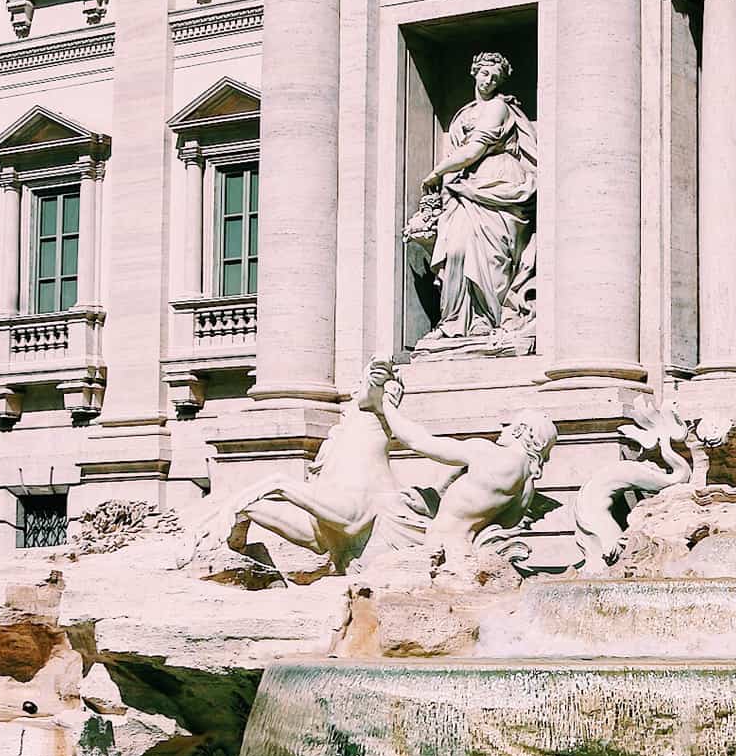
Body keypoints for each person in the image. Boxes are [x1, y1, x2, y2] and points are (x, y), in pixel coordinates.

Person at [187, 361, 424, 574]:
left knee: (276, 484)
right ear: (355, 390)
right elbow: (317, 539)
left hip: (382, 557)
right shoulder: (345, 433)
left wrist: (277, 485)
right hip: (337, 540)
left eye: (387, 385)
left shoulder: (380, 419)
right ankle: (243, 560)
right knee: (250, 508)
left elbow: (351, 521)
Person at [418, 51, 539, 345]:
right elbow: (462, 154)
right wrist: (447, 186)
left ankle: (487, 320)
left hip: (498, 181)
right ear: (474, 71)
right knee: (457, 249)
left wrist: (436, 172)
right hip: (465, 187)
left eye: (495, 77)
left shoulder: (499, 107)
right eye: (485, 73)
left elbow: (474, 151)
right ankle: (456, 322)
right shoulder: (465, 112)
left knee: (492, 255)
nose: (489, 80)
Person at [376, 395, 558, 550]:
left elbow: (419, 442)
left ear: (520, 430)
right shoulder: (527, 489)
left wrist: (387, 405)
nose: (502, 429)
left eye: (507, 425)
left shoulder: (489, 453)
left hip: (440, 548)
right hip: (466, 550)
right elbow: (482, 514)